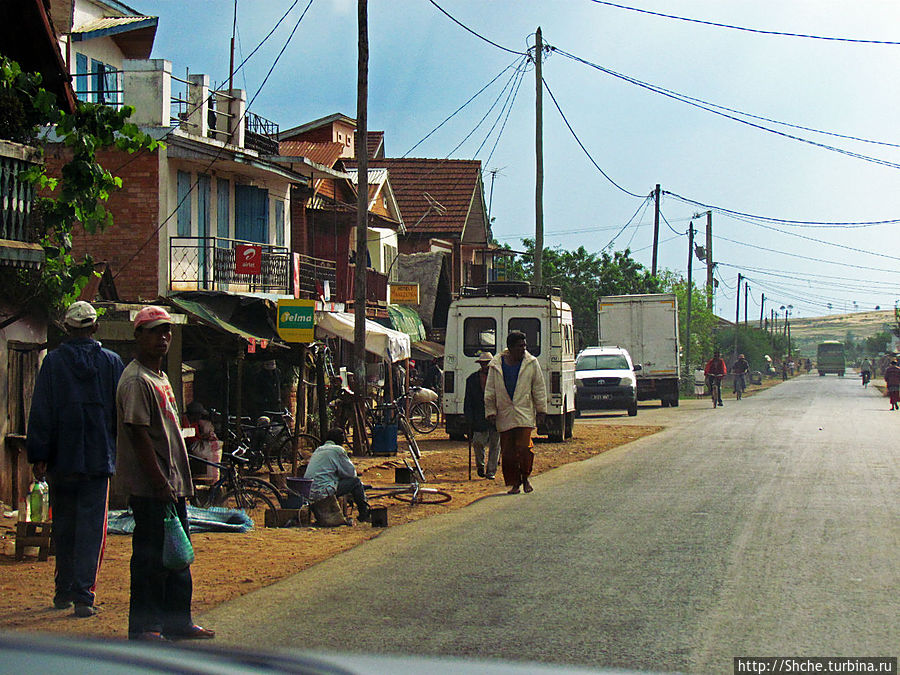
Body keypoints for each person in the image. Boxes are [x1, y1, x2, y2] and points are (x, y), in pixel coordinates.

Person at [115, 305, 214, 642]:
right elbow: (138, 433)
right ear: (138, 335)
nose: (163, 337)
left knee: (177, 555)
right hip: (151, 488)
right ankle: (145, 626)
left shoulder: (160, 377)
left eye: (167, 331)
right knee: (150, 560)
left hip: (172, 486)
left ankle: (177, 621)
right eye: (155, 331)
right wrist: (157, 481)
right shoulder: (135, 379)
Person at [26, 301, 125, 618]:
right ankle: (84, 595)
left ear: (67, 329)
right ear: (95, 327)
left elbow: (41, 411)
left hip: (61, 460)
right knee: (92, 530)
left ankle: (63, 591)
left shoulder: (53, 363)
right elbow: (120, 414)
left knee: (64, 526)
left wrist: (39, 455)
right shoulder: (112, 363)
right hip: (98, 460)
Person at [484, 331, 547, 495]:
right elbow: (490, 391)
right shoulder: (496, 364)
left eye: (525, 346)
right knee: (509, 452)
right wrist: (490, 411)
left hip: (524, 413)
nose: (523, 349)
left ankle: (525, 477)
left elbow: (538, 388)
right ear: (511, 348)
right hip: (504, 413)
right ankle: (514, 483)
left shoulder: (531, 363)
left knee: (524, 448)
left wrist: (541, 410)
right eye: (520, 346)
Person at [304, 428, 371, 522]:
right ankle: (364, 514)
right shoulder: (338, 450)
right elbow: (351, 473)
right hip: (323, 491)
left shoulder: (319, 449)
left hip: (309, 491)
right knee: (356, 482)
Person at [464, 352, 499, 479]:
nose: (486, 366)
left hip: (496, 417)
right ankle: (480, 465)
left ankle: (491, 471)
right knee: (478, 442)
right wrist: (468, 418)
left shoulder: (498, 379)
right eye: (483, 363)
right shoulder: (472, 379)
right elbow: (468, 401)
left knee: (495, 445)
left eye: (487, 363)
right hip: (479, 417)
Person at [182, 401, 221, 483]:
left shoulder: (195, 423)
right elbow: (189, 438)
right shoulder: (184, 421)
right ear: (193, 414)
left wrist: (206, 437)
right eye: (198, 415)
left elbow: (196, 435)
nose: (199, 417)